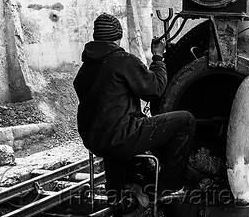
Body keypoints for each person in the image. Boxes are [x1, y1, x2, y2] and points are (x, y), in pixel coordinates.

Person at [73, 13, 195, 207]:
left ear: (96, 37)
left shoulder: (85, 69)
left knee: (113, 139)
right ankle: (168, 189)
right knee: (185, 120)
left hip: (94, 140)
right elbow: (155, 89)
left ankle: (118, 195)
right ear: (118, 36)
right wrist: (158, 58)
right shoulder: (122, 60)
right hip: (121, 137)